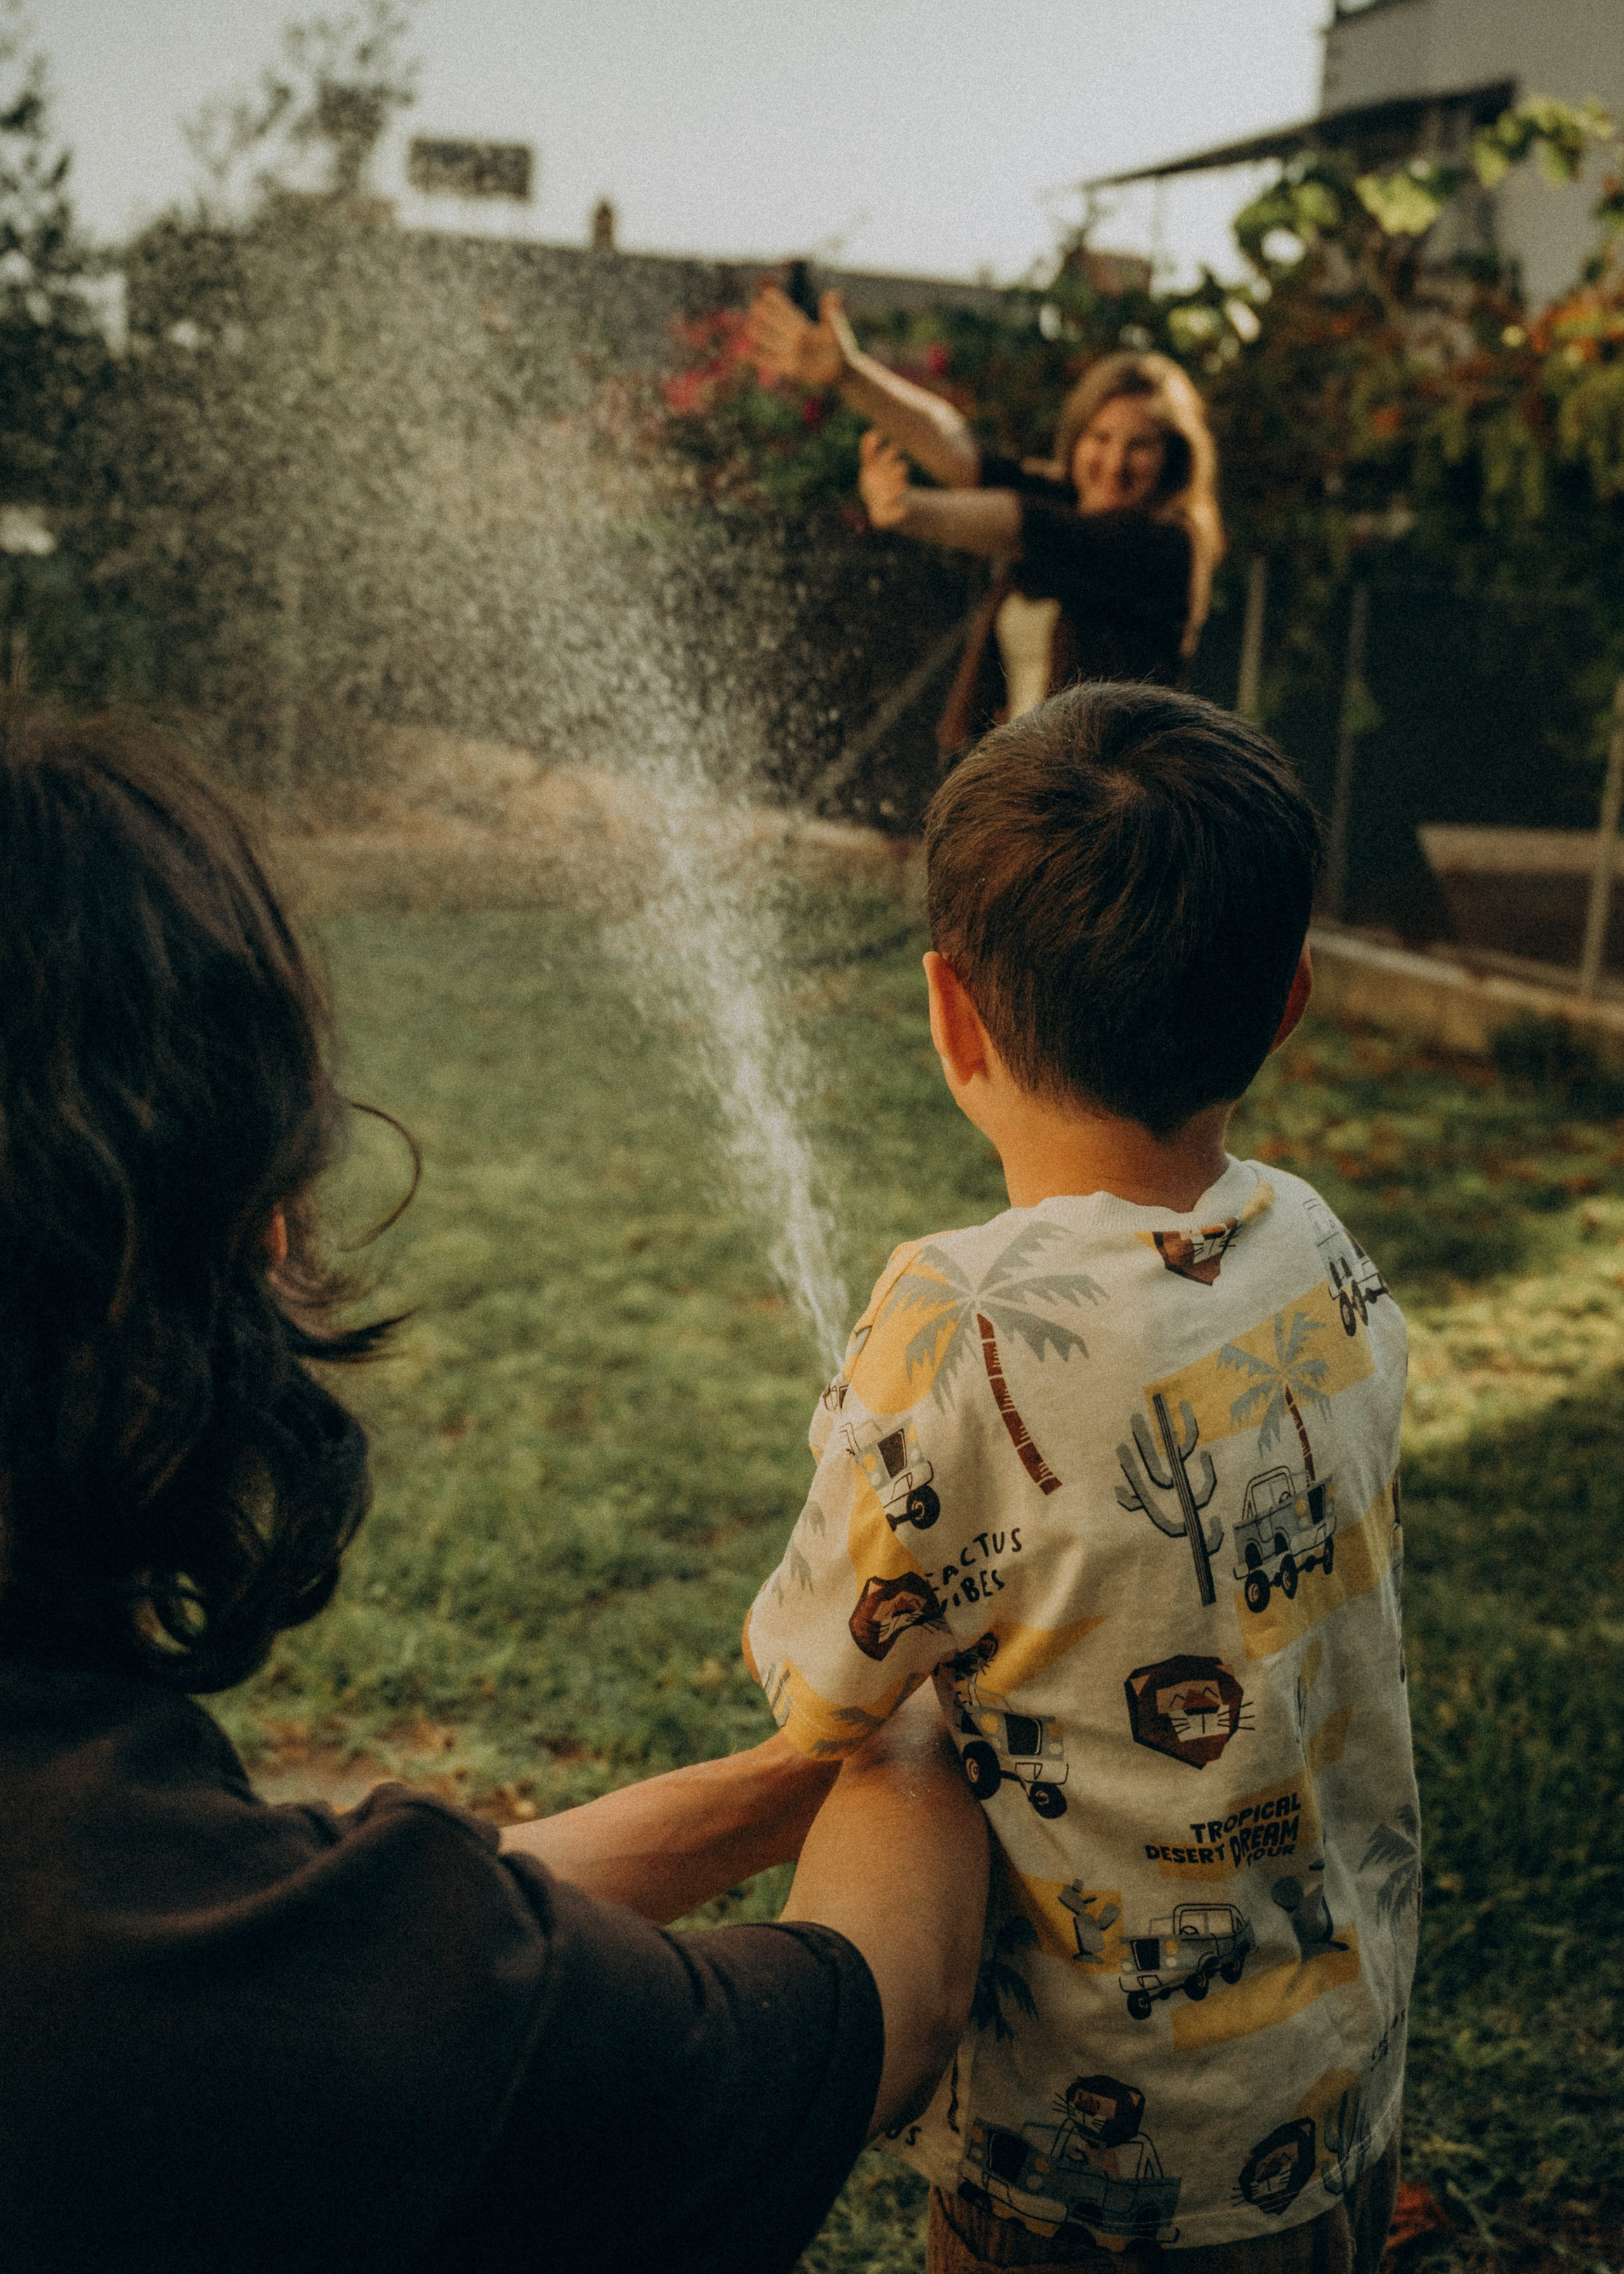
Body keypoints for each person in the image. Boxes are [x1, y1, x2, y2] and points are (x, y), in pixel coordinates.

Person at [0, 696, 989, 2274]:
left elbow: (383, 1933)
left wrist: (782, 1781)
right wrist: (921, 1714)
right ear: (243, 1232)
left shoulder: (130, 1879)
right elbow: (881, 2007)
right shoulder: (184, 1988)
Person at [744, 681, 1416, 2274]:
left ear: (950, 1012)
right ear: (1286, 1001)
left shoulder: (952, 1319)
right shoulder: (1313, 1241)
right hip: (1323, 2093)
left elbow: (821, 1688)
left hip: (1081, 2155)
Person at [745, 285, 1224, 748]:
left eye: (1140, 445)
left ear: (1175, 458)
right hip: (1026, 783)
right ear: (1077, 438)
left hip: (1105, 794)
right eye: (1100, 437)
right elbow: (961, 455)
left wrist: (912, 508)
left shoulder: (1167, 545)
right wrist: (849, 374)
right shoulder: (1069, 496)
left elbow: (1026, 526)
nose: (1115, 463)